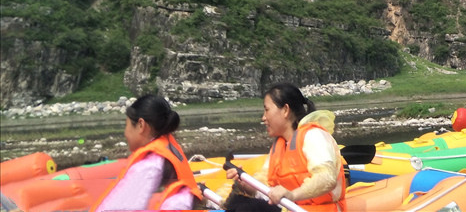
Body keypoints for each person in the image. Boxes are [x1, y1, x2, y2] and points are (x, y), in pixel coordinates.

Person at [225, 83, 344, 212]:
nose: (263, 118)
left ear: (285, 110)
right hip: (291, 208)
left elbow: (326, 179)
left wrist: (292, 195)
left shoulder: (313, 135)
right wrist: (248, 186)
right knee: (239, 202)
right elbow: (267, 185)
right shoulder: (280, 145)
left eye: (267, 110)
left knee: (247, 208)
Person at [91, 94, 201, 211]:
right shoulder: (166, 144)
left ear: (141, 125)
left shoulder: (150, 163)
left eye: (127, 125)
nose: (125, 133)